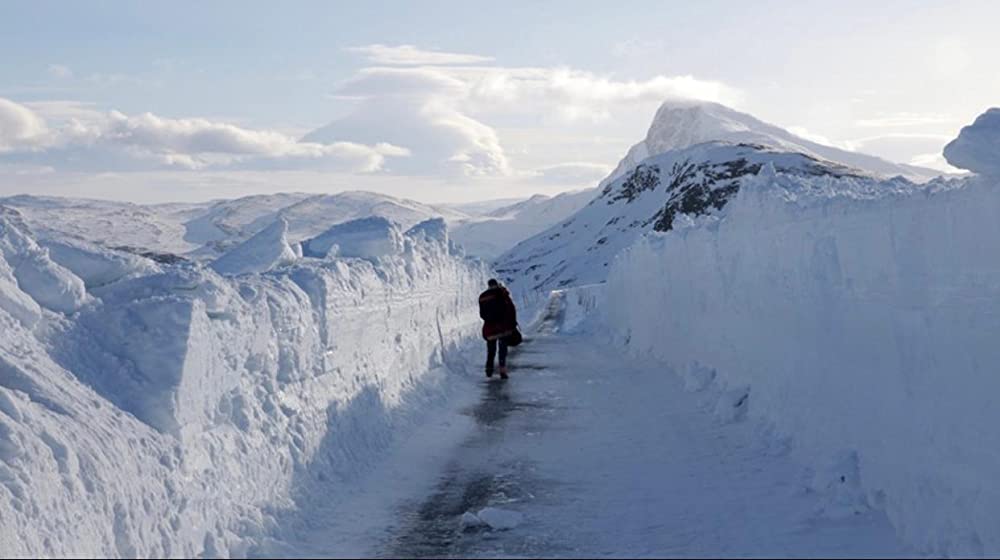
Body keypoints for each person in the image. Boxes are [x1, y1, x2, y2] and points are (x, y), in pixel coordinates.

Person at [478, 278, 517, 379]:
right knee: (502, 350)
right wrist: (512, 324)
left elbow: (482, 314)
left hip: (489, 329)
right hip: (503, 327)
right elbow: (510, 309)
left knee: (491, 350)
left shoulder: (482, 296)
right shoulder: (502, 294)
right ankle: (502, 371)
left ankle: (489, 369)